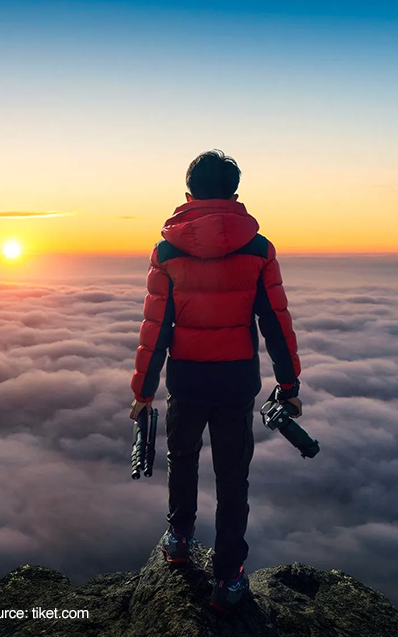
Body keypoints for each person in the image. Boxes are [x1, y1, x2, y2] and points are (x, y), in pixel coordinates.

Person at [129, 149, 302, 613]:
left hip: (186, 378)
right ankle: (228, 579)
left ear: (188, 194)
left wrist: (143, 392)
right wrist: (289, 386)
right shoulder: (259, 249)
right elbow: (276, 323)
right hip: (236, 381)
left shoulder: (166, 251)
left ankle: (179, 539)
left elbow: (156, 329)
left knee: (181, 457)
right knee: (233, 477)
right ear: (235, 195)